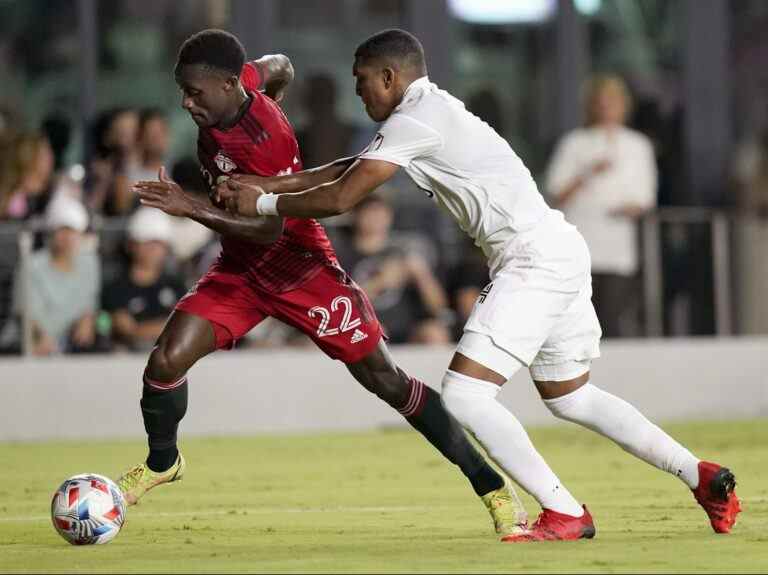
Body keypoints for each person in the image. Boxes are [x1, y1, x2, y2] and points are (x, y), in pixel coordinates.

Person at [215, 28, 742, 541]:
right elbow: (349, 167)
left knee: (465, 397)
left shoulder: (414, 118)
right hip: (556, 247)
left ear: (389, 76)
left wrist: (262, 202)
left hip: (532, 261)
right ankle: (700, 475)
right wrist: (267, 181)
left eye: (361, 80)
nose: (357, 91)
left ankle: (563, 511)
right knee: (572, 398)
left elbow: (341, 197)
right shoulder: (425, 111)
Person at [127, 29, 526, 537]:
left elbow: (267, 227)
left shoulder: (264, 139)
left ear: (226, 86)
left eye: (195, 93)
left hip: (301, 269)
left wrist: (192, 207)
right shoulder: (243, 82)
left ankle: (489, 484)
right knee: (164, 361)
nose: (186, 103)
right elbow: (281, 64)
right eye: (183, 91)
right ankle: (163, 463)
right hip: (241, 270)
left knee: (387, 381)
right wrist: (272, 94)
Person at [545, 75, 657, 337]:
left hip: (618, 251)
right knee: (576, 323)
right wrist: (588, 173)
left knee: (612, 319)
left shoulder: (638, 145)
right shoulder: (575, 143)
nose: (607, 109)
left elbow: (645, 198)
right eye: (602, 103)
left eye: (613, 102)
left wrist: (630, 208)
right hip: (580, 246)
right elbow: (556, 193)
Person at [334, 193, 451, 344]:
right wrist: (379, 283)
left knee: (435, 334)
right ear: (356, 216)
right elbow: (338, 307)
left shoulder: (405, 251)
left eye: (382, 213)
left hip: (408, 329)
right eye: (370, 213)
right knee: (375, 333)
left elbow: (439, 308)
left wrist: (422, 276)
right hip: (361, 329)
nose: (377, 219)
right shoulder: (340, 255)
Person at [13, 196, 99, 355]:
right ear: (51, 232)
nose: (67, 237)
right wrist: (41, 337)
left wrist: (88, 318)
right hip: (33, 346)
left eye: (72, 231)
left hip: (74, 346)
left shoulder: (90, 263)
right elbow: (25, 313)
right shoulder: (32, 265)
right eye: (62, 230)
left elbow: (90, 302)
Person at [102, 207, 187, 352]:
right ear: (131, 245)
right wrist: (166, 327)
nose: (153, 249)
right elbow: (126, 330)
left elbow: (185, 326)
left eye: (158, 243)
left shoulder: (177, 286)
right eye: (148, 242)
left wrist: (140, 329)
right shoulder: (115, 288)